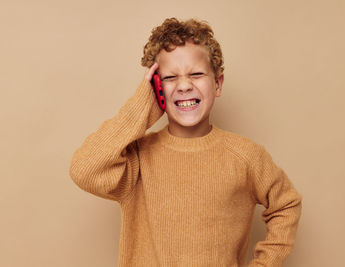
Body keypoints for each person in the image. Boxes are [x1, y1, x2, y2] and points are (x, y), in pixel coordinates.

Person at [69, 17, 302, 267]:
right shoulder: (137, 160)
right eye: (169, 78)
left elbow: (286, 204)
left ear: (218, 84)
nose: (183, 86)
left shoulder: (245, 156)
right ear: (155, 88)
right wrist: (141, 108)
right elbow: (84, 170)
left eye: (197, 74)